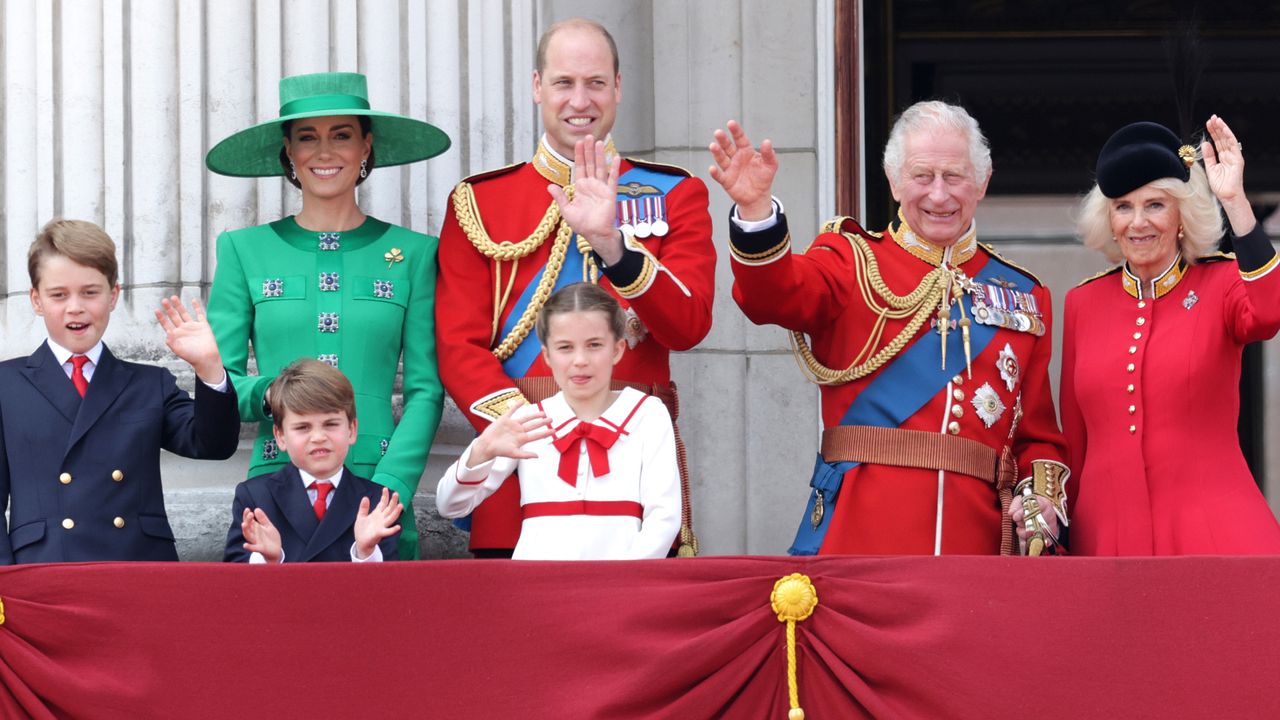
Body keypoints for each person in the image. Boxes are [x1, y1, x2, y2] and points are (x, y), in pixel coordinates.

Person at [708, 101, 1070, 556]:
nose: (939, 195)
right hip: (860, 539)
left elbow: (1038, 438)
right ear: (894, 181)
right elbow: (772, 296)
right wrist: (757, 213)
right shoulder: (850, 261)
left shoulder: (1023, 295)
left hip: (974, 548)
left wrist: (1041, 498)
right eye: (922, 177)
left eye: (954, 176)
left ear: (982, 181)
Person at [435, 18, 714, 557]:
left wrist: (615, 248)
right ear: (538, 86)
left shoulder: (675, 193)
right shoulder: (480, 202)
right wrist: (529, 435)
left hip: (633, 467)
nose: (579, 100)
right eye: (564, 83)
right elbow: (456, 346)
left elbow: (689, 325)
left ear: (618, 86)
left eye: (595, 83)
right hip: (520, 473)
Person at [205, 71, 449, 560]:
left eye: (342, 135)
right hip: (276, 489)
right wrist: (274, 391)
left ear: (366, 146)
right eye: (307, 137)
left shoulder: (416, 253)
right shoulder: (242, 251)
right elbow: (219, 383)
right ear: (289, 152)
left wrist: (390, 486)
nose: (324, 152)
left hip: (379, 494)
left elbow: (426, 390)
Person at [1061, 116, 1280, 555]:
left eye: (1155, 205)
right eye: (1123, 206)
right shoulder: (1083, 304)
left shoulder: (1219, 285)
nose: (1138, 222)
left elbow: (1268, 313)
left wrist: (1234, 200)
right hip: (1108, 543)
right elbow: (1076, 443)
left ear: (1182, 214)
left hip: (1216, 537)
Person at [0, 219, 240, 563]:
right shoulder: (6, 384)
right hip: (45, 569)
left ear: (113, 295)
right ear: (36, 300)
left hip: (136, 567)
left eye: (90, 292)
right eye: (58, 295)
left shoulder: (149, 384)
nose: (75, 307)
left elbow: (213, 445)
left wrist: (209, 367)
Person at [436, 283, 680, 559]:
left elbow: (664, 517)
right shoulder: (528, 420)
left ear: (618, 349)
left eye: (594, 345)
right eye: (565, 348)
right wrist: (482, 450)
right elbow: (450, 505)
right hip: (537, 590)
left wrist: (622, 584)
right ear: (547, 356)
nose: (580, 360)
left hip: (622, 589)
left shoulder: (648, 414)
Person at [224, 359, 402, 563]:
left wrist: (365, 552)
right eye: (302, 427)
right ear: (280, 436)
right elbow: (234, 581)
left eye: (330, 424)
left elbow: (390, 589)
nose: (318, 437)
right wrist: (270, 560)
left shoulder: (378, 501)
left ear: (352, 430)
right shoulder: (256, 497)